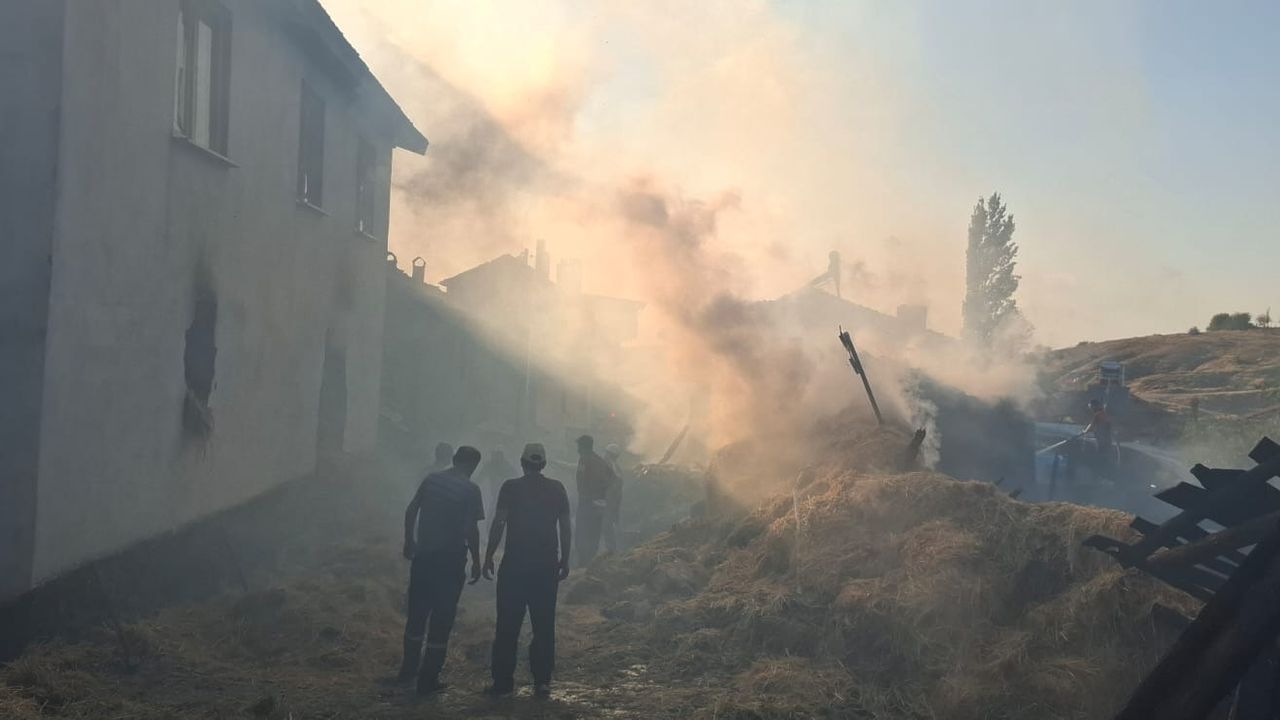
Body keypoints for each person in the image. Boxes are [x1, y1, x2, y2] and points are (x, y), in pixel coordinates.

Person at [483, 443, 571, 699]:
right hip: (545, 567)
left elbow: (499, 521)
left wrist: (488, 555)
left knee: (507, 625)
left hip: (514, 566)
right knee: (543, 625)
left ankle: (502, 683)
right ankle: (542, 682)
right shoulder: (557, 488)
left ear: (522, 463)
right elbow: (565, 527)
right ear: (543, 464)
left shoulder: (511, 487)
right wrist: (565, 559)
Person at [397, 445, 485, 696]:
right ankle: (428, 679)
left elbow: (411, 509)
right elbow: (470, 529)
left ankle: (407, 672)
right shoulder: (471, 489)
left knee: (416, 615)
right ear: (473, 465)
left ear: (454, 459)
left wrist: (409, 541)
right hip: (450, 562)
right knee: (441, 620)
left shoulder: (432, 479)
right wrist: (476, 560)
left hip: (424, 557)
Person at [573, 434, 617, 566]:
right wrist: (602, 495)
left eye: (579, 446)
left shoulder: (584, 460)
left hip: (587, 502)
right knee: (594, 533)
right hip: (599, 503)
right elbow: (612, 478)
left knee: (582, 533)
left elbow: (581, 481)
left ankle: (583, 563)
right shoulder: (599, 460)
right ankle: (590, 562)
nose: (577, 449)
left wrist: (588, 494)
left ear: (583, 447)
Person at [601, 444, 624, 554]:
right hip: (609, 501)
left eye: (607, 453)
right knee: (608, 524)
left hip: (608, 502)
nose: (605, 455)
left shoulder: (613, 468)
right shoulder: (614, 467)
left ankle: (611, 550)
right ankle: (611, 549)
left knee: (607, 524)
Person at [480, 446, 516, 517]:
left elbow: (515, 477)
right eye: (494, 454)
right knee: (492, 514)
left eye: (497, 454)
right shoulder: (489, 465)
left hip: (506, 497)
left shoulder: (507, 466)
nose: (494, 456)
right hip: (495, 496)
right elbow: (479, 478)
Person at [1082, 398, 1117, 471]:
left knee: (1102, 454)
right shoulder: (1103, 413)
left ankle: (1102, 469)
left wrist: (1085, 431)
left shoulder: (1099, 415)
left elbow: (1092, 425)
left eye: (1091, 407)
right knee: (1105, 453)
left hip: (1103, 439)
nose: (1091, 409)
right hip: (1105, 439)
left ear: (1094, 406)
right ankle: (1105, 468)